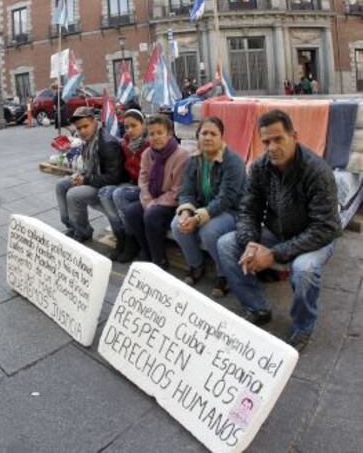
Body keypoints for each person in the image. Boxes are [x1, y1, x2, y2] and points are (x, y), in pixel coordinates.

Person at [217, 109, 341, 352]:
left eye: (278, 139)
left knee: (304, 270)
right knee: (226, 244)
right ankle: (257, 307)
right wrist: (251, 242)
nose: (271, 147)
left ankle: (303, 326)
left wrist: (274, 254)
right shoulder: (260, 167)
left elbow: (325, 227)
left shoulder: (317, 171)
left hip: (316, 237)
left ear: (294, 136)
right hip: (278, 232)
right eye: (265, 142)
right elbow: (249, 210)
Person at [171, 117, 246, 297]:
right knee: (177, 224)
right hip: (205, 209)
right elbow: (186, 190)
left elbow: (226, 199)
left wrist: (197, 218)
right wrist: (185, 212)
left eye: (214, 134)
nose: (208, 137)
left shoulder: (233, 161)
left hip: (233, 211)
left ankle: (224, 273)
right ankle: (196, 265)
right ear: (198, 137)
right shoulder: (194, 160)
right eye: (204, 133)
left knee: (209, 230)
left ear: (221, 137)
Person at [124, 114, 189, 268]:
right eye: (151, 134)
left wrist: (155, 204)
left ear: (169, 134)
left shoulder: (182, 155)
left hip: (173, 202)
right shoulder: (147, 154)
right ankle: (147, 252)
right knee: (131, 211)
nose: (155, 137)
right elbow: (143, 180)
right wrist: (148, 201)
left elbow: (178, 190)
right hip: (153, 199)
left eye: (160, 133)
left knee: (152, 214)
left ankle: (159, 260)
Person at [55, 107, 125, 243]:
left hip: (108, 186)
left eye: (85, 126)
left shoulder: (107, 143)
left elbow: (114, 178)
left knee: (74, 194)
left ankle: (83, 232)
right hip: (94, 177)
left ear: (94, 122)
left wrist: (85, 179)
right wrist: (81, 175)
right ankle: (71, 226)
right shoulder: (89, 140)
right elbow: (89, 167)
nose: (82, 131)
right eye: (79, 128)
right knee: (61, 185)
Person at [98, 108, 149, 263]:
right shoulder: (125, 144)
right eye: (126, 127)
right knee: (105, 192)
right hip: (130, 183)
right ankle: (120, 236)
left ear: (143, 125)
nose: (130, 130)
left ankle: (131, 240)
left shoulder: (148, 144)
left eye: (134, 126)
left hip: (144, 187)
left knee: (119, 194)